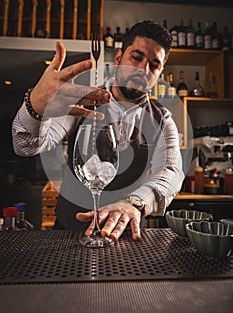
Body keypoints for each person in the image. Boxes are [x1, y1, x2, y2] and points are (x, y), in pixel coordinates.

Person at [12, 20, 184, 241]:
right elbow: (25, 146)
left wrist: (133, 203)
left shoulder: (162, 120)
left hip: (123, 238)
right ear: (119, 57)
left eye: (154, 64)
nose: (143, 69)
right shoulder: (82, 101)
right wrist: (35, 107)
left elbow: (169, 171)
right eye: (137, 57)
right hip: (69, 234)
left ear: (160, 72)